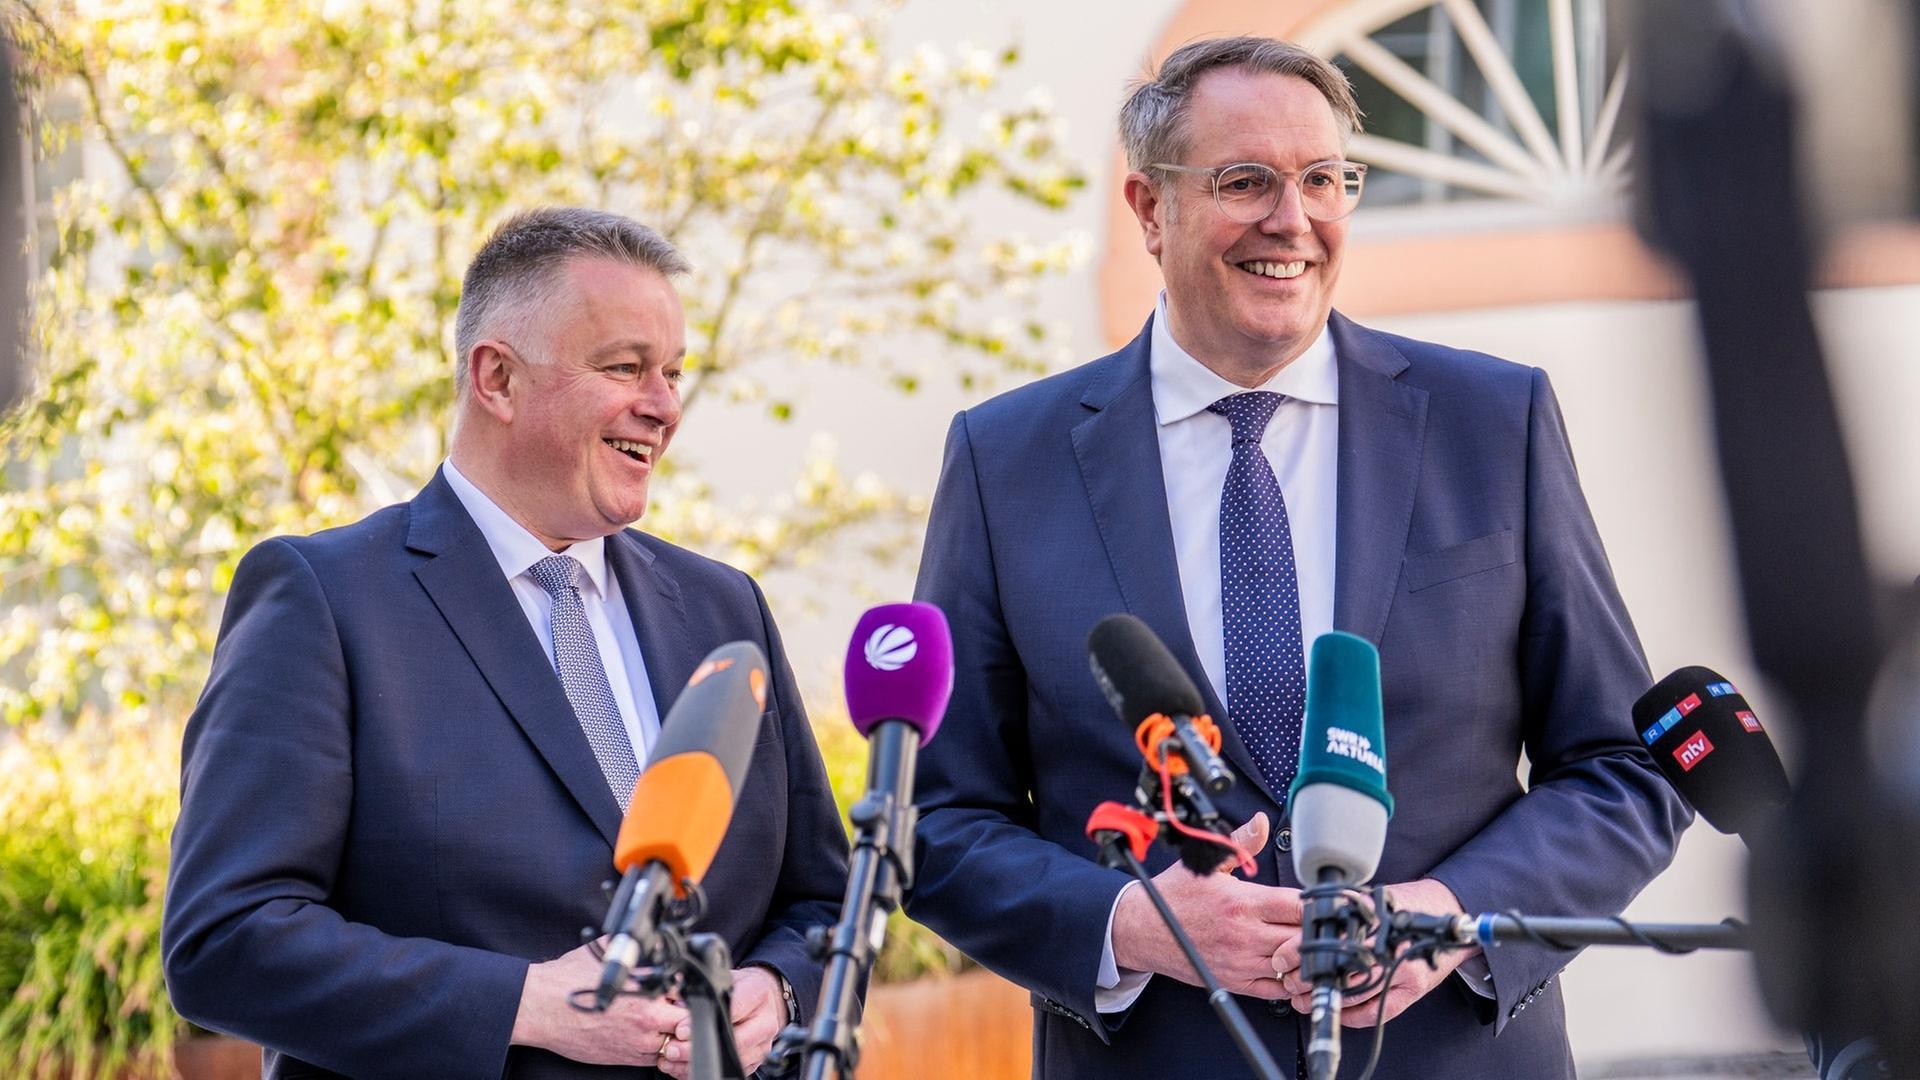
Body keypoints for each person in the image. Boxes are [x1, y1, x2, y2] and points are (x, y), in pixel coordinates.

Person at [906, 36, 1690, 1079]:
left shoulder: (1494, 423)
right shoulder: (1008, 461)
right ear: (1149, 209)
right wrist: (1139, 925)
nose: (1294, 219)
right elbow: (938, 819)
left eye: (1324, 179)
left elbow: (1623, 768)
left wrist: (1447, 917)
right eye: (1245, 182)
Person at [162, 208, 849, 1079]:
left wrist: (778, 990)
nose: (665, 405)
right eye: (626, 367)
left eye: (672, 372)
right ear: (497, 378)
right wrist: (523, 1005)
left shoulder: (725, 608)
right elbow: (225, 940)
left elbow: (823, 899)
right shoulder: (323, 600)